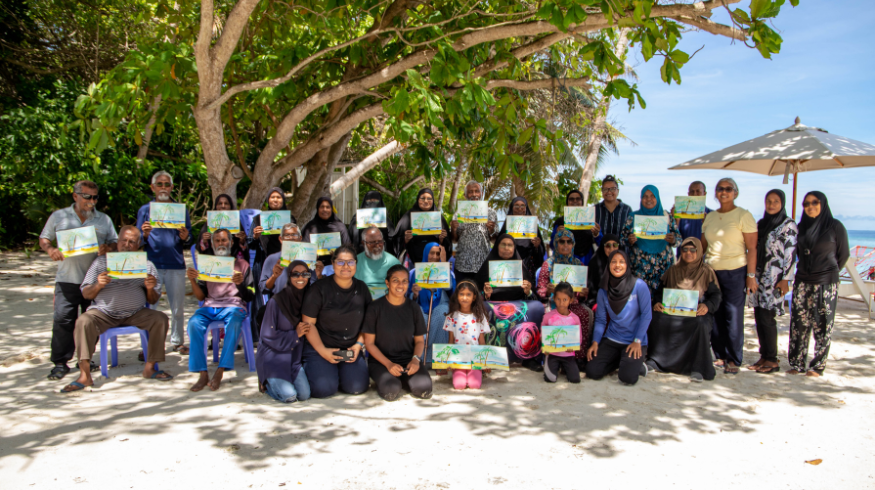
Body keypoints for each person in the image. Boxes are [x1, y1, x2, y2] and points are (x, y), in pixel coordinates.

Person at [60, 226, 171, 392]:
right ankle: (85, 375)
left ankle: (150, 367)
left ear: (138, 244)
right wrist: (98, 285)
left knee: (160, 319)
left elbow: (153, 299)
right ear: (117, 242)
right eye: (124, 241)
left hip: (135, 313)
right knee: (83, 321)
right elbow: (86, 293)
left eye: (132, 242)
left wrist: (149, 288)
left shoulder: (146, 266)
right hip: (104, 313)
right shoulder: (101, 262)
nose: (127, 245)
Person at [40, 180, 118, 380]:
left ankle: (85, 358)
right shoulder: (59, 216)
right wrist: (51, 250)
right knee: (62, 320)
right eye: (87, 197)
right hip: (67, 279)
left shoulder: (103, 219)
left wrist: (108, 248)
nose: (91, 201)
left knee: (91, 321)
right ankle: (59, 362)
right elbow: (44, 239)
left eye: (95, 197)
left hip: (93, 281)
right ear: (75, 196)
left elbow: (115, 241)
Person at [788, 191, 849, 377]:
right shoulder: (801, 227)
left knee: (822, 325)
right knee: (799, 324)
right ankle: (797, 363)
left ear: (823, 204)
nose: (810, 206)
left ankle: (817, 366)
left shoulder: (834, 226)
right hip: (802, 281)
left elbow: (843, 254)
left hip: (826, 282)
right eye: (806, 203)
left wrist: (826, 271)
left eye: (815, 202)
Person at [700, 177, 758, 375]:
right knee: (714, 314)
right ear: (715, 193)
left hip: (736, 271)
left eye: (728, 189)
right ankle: (720, 356)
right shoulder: (710, 217)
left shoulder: (744, 215)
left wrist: (751, 275)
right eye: (720, 189)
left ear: (735, 192)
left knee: (733, 315)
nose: (723, 192)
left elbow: (752, 248)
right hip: (711, 272)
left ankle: (733, 358)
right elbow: (702, 247)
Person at [186, 229, 254, 392]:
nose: (221, 244)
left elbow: (251, 296)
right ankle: (202, 373)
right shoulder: (207, 265)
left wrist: (239, 284)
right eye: (217, 241)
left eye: (224, 240)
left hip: (234, 306)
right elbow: (201, 296)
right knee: (194, 323)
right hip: (210, 306)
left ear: (231, 243)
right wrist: (192, 281)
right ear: (212, 244)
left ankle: (220, 370)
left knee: (233, 323)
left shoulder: (242, 265)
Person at [301, 245, 373, 398]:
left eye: (350, 262)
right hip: (320, 348)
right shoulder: (318, 289)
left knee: (357, 387)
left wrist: (358, 345)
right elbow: (308, 324)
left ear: (355, 264)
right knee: (323, 389)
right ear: (333, 264)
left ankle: (339, 373)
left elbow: (368, 323)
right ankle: (324, 371)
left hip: (349, 349)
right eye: (340, 262)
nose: (346, 267)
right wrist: (323, 351)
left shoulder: (362, 288)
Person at [646, 237, 721, 382]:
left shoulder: (706, 272)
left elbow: (716, 295)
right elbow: (660, 291)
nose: (688, 253)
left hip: (696, 313)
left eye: (693, 250)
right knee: (657, 318)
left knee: (701, 323)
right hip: (674, 312)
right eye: (685, 249)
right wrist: (657, 303)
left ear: (699, 252)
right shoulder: (673, 270)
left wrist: (707, 306)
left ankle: (697, 368)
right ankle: (656, 361)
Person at [136, 170, 193, 355]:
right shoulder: (145, 210)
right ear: (152, 187)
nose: (163, 188)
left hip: (175, 264)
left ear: (172, 188)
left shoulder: (180, 210)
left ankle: (177, 342)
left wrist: (186, 236)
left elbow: (189, 237)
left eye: (166, 184)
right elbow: (135, 241)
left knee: (177, 307)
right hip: (151, 265)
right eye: (159, 184)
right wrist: (143, 235)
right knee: (149, 307)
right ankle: (148, 345)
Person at [475, 234, 544, 370]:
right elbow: (475, 293)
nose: (507, 248)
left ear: (514, 248)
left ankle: (528, 357)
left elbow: (533, 296)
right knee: (482, 307)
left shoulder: (520, 267)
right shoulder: (487, 266)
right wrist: (485, 294)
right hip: (493, 304)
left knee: (537, 307)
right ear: (497, 247)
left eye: (510, 245)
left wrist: (528, 291)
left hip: (519, 302)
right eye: (503, 245)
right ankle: (489, 355)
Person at [363, 264, 432, 401]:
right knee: (391, 390)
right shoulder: (374, 308)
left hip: (407, 360)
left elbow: (419, 341)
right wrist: (388, 364)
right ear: (387, 283)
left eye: (404, 281)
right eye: (395, 280)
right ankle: (394, 381)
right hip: (381, 361)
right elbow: (369, 344)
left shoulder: (414, 308)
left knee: (424, 388)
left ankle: (404, 378)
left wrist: (415, 360)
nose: (400, 285)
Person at [748, 189, 797, 374]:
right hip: (759, 277)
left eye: (776, 201)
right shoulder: (762, 223)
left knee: (768, 318)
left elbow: (791, 255)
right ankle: (764, 355)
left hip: (775, 278)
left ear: (782, 203)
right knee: (759, 317)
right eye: (768, 201)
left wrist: (786, 279)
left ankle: (772, 360)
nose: (771, 204)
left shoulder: (788, 225)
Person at [586, 250, 652, 385]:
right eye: (613, 261)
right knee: (592, 371)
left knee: (627, 378)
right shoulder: (603, 290)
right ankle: (622, 361)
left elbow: (646, 315)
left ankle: (638, 365)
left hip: (634, 341)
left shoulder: (639, 286)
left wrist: (637, 340)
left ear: (627, 264)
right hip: (612, 338)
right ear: (608, 265)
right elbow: (600, 319)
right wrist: (595, 342)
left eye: (622, 262)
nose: (617, 265)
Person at [256, 260, 312, 403]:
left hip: (293, 358)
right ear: (289, 276)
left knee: (304, 395)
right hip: (274, 357)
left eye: (304, 274)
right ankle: (266, 383)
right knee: (289, 396)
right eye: (296, 274)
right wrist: (295, 334)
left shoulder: (308, 299)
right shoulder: (277, 301)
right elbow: (267, 335)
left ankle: (278, 383)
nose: (300, 278)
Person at [536, 229, 593, 365]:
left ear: (573, 244)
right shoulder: (548, 264)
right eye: (562, 241)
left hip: (572, 303)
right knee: (550, 315)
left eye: (569, 242)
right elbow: (540, 289)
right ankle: (552, 357)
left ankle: (576, 357)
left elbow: (581, 291)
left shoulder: (578, 264)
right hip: (554, 301)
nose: (565, 245)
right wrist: (548, 290)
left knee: (586, 313)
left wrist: (583, 293)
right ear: (556, 243)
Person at [249, 187, 296, 334]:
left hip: (287, 260)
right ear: (268, 200)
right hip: (264, 261)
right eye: (272, 197)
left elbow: (295, 241)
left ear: (283, 200)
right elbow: (250, 244)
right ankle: (262, 332)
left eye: (279, 197)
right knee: (264, 296)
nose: (275, 200)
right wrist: (255, 236)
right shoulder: (258, 219)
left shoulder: (290, 219)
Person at [621, 185, 680, 293]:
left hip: (664, 269)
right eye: (645, 196)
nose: (648, 199)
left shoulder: (667, 217)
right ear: (641, 199)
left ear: (657, 198)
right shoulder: (633, 217)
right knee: (641, 301)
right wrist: (629, 240)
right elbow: (622, 239)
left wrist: (673, 240)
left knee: (661, 302)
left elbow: (679, 239)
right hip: (640, 269)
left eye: (652, 196)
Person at [408, 242, 455, 368]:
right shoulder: (414, 272)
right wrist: (415, 294)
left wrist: (444, 265)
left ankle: (437, 359)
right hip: (420, 305)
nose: (434, 256)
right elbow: (407, 297)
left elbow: (452, 289)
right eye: (432, 253)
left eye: (438, 254)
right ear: (425, 253)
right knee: (419, 317)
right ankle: (420, 358)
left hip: (440, 303)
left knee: (442, 314)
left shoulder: (448, 271)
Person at [442, 280, 491, 390]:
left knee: (475, 385)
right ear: (457, 296)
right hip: (458, 358)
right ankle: (459, 372)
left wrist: (485, 362)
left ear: (474, 297)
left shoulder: (480, 316)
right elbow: (450, 340)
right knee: (459, 385)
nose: (465, 298)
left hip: (475, 359)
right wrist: (449, 361)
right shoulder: (451, 317)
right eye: (462, 294)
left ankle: (475, 372)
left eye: (468, 294)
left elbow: (482, 341)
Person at [451, 180, 498, 284]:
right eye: (470, 192)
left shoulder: (491, 213)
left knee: (481, 296)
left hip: (483, 264)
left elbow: (495, 241)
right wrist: (453, 229)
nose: (474, 194)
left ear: (481, 193)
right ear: (465, 195)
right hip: (462, 264)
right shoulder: (458, 213)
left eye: (477, 191)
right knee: (463, 295)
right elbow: (454, 240)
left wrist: (491, 231)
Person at [260, 223, 325, 296]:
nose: (291, 238)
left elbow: (314, 286)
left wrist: (318, 275)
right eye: (287, 235)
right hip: (280, 303)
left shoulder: (309, 258)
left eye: (294, 235)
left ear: (300, 238)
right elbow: (262, 288)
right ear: (281, 239)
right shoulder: (272, 259)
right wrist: (274, 277)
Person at [394, 188, 452, 266]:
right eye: (422, 198)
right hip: (413, 258)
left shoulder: (439, 218)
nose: (426, 201)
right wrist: (406, 239)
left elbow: (447, 244)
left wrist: (442, 240)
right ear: (418, 199)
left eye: (429, 198)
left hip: (434, 259)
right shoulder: (408, 217)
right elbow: (396, 240)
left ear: (433, 200)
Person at [542, 283, 582, 384]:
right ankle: (551, 364)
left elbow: (579, 338)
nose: (561, 303)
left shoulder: (574, 319)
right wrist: (545, 347)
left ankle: (564, 367)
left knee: (575, 379)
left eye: (565, 299)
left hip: (568, 354)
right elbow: (543, 334)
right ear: (554, 299)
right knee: (550, 379)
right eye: (558, 299)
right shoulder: (548, 316)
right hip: (553, 354)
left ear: (571, 300)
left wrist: (573, 347)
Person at [498, 197, 545, 279]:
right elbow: (498, 247)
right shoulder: (506, 226)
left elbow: (540, 252)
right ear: (512, 208)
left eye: (522, 206)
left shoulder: (533, 227)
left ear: (526, 208)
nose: (519, 209)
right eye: (516, 206)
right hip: (509, 265)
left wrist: (537, 246)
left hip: (528, 266)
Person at [550, 189, 602, 264]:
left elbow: (601, 242)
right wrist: (557, 235)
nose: (575, 201)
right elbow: (552, 245)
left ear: (582, 202)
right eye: (571, 199)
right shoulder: (560, 222)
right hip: (565, 262)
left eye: (578, 199)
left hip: (587, 261)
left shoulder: (591, 220)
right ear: (567, 202)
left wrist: (596, 234)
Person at [196, 194, 249, 262]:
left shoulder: (236, 224)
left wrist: (242, 240)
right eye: (220, 203)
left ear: (230, 206)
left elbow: (244, 247)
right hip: (213, 262)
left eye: (226, 203)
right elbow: (200, 248)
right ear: (216, 206)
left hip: (234, 261)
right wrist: (204, 241)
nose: (223, 206)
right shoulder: (209, 223)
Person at [301, 196, 352, 266]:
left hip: (337, 266)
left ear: (331, 209)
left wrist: (338, 255)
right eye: (322, 207)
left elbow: (348, 248)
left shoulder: (340, 227)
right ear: (317, 209)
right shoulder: (310, 227)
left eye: (328, 207)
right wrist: (311, 254)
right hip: (314, 266)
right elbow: (303, 249)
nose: (325, 209)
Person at [354, 227, 401, 297]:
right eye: (372, 242)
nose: (377, 245)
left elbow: (400, 287)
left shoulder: (393, 263)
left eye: (380, 242)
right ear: (363, 243)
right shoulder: (354, 262)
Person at [348, 191, 396, 256]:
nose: (372, 203)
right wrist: (356, 224)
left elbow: (392, 237)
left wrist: (378, 231)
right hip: (362, 253)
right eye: (369, 201)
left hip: (381, 253)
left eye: (375, 201)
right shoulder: (357, 217)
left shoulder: (385, 219)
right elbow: (351, 236)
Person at [586, 234, 621, 308]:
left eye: (614, 245)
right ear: (602, 247)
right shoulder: (594, 263)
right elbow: (592, 289)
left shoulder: (623, 263)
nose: (611, 249)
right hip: (597, 300)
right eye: (608, 246)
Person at [594, 175, 633, 240]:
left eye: (612, 189)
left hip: (622, 249)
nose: (609, 192)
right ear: (602, 191)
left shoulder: (627, 210)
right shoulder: (595, 209)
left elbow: (630, 233)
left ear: (617, 191)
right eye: (605, 189)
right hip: (600, 249)